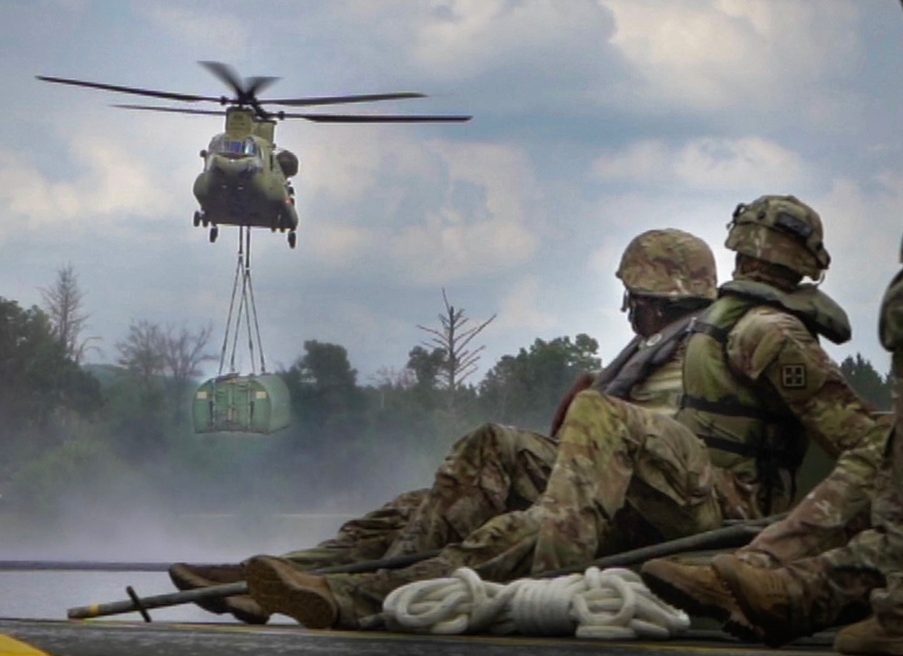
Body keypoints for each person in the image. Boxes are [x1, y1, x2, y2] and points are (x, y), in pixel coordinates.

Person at [242, 195, 886, 632]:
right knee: (494, 456)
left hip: (727, 508)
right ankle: (353, 584)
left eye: (753, 254)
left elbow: (868, 447)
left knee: (594, 427)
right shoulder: (686, 338)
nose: (747, 262)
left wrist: (784, 548)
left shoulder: (767, 333)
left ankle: (544, 576)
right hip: (654, 492)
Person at [170, 227, 718, 624]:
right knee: (418, 505)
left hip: (650, 510)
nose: (631, 313)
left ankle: (352, 594)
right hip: (597, 495)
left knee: (501, 524)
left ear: (654, 300)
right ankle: (268, 579)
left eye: (639, 302)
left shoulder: (712, 351)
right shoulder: (643, 356)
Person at [642, 237, 903, 653]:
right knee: (879, 455)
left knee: (876, 455)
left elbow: (856, 437)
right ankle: (781, 588)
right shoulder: (732, 325)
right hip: (718, 493)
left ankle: (773, 580)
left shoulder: (762, 329)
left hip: (740, 495)